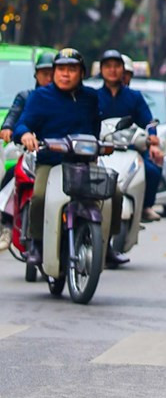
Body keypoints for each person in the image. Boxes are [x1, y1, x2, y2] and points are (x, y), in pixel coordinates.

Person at [14, 48, 102, 261]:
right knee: (39, 197)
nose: (65, 74)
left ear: (81, 73)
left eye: (72, 69)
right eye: (61, 69)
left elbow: (97, 127)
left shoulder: (90, 97)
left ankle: (104, 246)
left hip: (83, 163)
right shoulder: (39, 97)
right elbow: (22, 124)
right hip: (50, 164)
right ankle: (35, 243)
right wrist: (25, 134)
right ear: (54, 72)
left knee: (113, 194)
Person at [95, 49, 165, 237]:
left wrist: (153, 140)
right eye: (108, 66)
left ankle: (145, 206)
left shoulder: (134, 97)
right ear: (101, 70)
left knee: (152, 170)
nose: (112, 71)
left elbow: (148, 122)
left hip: (130, 148)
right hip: (100, 150)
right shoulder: (92, 97)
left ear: (123, 70)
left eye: (116, 66)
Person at [0, 51, 55, 251]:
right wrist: (9, 128)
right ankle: (6, 222)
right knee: (14, 173)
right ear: (36, 75)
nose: (48, 78)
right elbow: (14, 118)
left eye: (52, 73)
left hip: (62, 156)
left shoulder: (68, 99)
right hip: (33, 154)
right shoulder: (27, 97)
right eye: (44, 73)